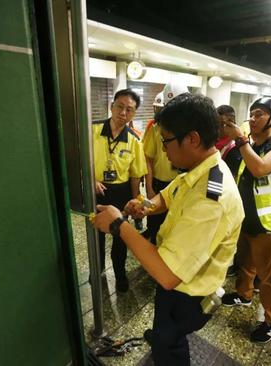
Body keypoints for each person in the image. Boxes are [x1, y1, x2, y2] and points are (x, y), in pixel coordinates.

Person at [92, 93, 244, 365]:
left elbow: (167, 275)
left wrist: (119, 225)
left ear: (192, 139)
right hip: (178, 283)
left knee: (170, 345)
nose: (162, 149)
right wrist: (146, 205)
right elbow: (170, 195)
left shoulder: (211, 200)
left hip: (188, 294)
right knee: (163, 332)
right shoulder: (201, 169)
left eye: (166, 140)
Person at [220, 98, 271, 343]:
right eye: (250, 114)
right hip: (247, 220)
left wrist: (239, 139)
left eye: (258, 114)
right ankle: (244, 294)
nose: (252, 118)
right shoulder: (249, 145)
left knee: (270, 276)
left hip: (270, 224)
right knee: (245, 263)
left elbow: (261, 168)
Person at [92, 89, 148, 292]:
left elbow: (135, 175)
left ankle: (120, 274)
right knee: (96, 233)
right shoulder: (93, 130)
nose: (123, 112)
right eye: (120, 106)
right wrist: (91, 180)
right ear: (111, 106)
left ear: (134, 114)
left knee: (120, 236)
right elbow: (79, 160)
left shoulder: (134, 140)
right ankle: (96, 272)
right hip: (97, 189)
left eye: (129, 110)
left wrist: (135, 201)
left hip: (121, 192)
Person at [142, 83, 189, 244]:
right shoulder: (155, 127)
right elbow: (148, 158)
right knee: (155, 226)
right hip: (160, 184)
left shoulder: (192, 131)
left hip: (184, 182)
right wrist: (149, 188)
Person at [215, 105, 242, 178]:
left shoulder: (235, 148)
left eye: (221, 125)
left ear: (232, 124)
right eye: (215, 124)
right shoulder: (213, 141)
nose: (217, 128)